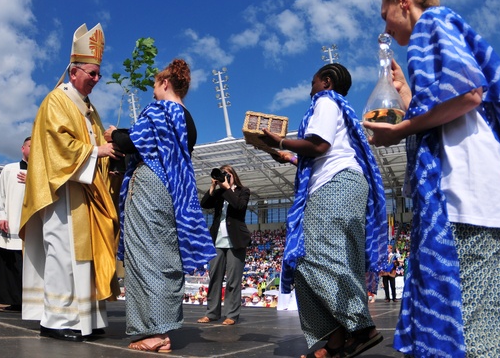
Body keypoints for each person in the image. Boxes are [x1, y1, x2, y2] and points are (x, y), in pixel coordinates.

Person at [365, 0, 500, 356]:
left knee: (470, 330)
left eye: (385, 15)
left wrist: (399, 132)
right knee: (482, 319)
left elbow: (468, 93)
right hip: (480, 195)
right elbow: (450, 115)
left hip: (465, 194)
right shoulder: (440, 30)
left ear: (403, 1)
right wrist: (408, 93)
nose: (386, 28)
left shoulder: (432, 22)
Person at [261, 63, 387, 358]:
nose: (310, 87)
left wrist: (278, 139)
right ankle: (334, 342)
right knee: (326, 259)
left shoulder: (326, 101)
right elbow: (325, 153)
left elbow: (318, 146)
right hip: (342, 181)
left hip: (334, 186)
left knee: (310, 257)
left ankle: (360, 327)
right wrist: (290, 156)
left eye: (313, 81)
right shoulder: (339, 107)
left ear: (326, 82)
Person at [20, 23, 121, 342]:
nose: (96, 79)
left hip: (87, 193)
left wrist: (110, 154)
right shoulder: (57, 101)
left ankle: (86, 320)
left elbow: (99, 151)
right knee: (64, 255)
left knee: (86, 259)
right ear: (74, 71)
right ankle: (57, 320)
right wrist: (96, 150)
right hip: (62, 194)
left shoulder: (91, 111)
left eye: (98, 75)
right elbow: (55, 145)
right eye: (92, 73)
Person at [107, 58, 216, 353]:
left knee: (144, 257)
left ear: (165, 83)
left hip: (150, 185)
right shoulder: (188, 119)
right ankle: (163, 332)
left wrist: (113, 135)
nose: (153, 91)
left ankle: (152, 332)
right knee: (164, 257)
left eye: (155, 85)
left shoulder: (159, 110)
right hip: (173, 192)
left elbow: (132, 142)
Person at [198, 165, 251, 325]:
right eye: (223, 175)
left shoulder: (243, 191)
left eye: (228, 174)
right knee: (214, 277)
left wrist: (228, 187)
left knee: (233, 280)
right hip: (217, 240)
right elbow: (205, 204)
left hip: (236, 241)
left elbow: (239, 206)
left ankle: (231, 315)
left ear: (233, 175)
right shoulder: (220, 193)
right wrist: (214, 186)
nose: (225, 177)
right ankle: (212, 313)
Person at [0, 136, 30, 311]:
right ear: (22, 148)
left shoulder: (42, 171)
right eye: (30, 146)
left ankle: (31, 302)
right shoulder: (9, 169)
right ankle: (14, 301)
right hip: (11, 225)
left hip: (32, 228)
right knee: (11, 265)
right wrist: (0, 216)